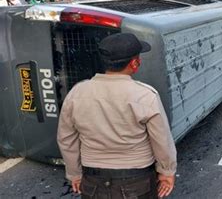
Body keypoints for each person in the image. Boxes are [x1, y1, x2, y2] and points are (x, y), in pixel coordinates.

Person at [57, 33, 177, 198]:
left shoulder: (77, 93)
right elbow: (161, 139)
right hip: (137, 180)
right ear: (135, 63)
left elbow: (66, 138)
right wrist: (166, 171)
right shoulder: (145, 95)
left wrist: (74, 174)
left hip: (93, 180)